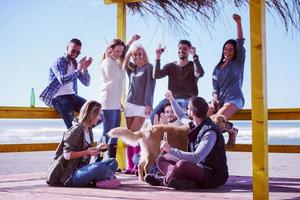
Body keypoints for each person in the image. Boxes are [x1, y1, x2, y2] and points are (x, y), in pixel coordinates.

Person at [145, 90, 228, 190]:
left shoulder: (210, 132)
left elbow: (196, 157)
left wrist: (170, 149)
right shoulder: (194, 124)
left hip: (213, 175)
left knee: (182, 164)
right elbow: (181, 116)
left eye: (188, 109)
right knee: (162, 159)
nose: (186, 110)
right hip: (197, 168)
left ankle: (163, 181)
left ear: (193, 112)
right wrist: (171, 99)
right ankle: (185, 182)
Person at [46, 100, 120, 188]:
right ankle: (106, 179)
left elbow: (85, 151)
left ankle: (103, 179)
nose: (99, 118)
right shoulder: (75, 130)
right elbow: (67, 155)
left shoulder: (89, 130)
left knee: (112, 161)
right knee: (100, 167)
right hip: (71, 175)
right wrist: (87, 152)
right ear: (92, 115)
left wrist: (97, 149)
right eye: (98, 114)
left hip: (83, 169)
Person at [98, 35, 140, 159]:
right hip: (107, 102)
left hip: (115, 103)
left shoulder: (117, 61)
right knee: (107, 134)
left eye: (121, 51)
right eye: (117, 51)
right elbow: (114, 80)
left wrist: (131, 42)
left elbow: (118, 86)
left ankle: (112, 162)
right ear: (110, 49)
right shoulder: (107, 62)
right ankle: (98, 160)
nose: (120, 53)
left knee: (115, 134)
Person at [207, 14, 245, 146]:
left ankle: (215, 148)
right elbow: (214, 88)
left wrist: (238, 23)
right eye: (225, 49)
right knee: (204, 118)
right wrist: (214, 99)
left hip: (234, 99)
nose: (227, 51)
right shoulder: (217, 68)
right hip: (220, 100)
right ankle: (232, 130)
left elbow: (240, 41)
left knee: (216, 119)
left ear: (235, 52)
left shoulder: (238, 63)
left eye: (231, 49)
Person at [40, 38, 93, 128]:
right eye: (73, 51)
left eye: (78, 52)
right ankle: (77, 133)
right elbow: (63, 80)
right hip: (58, 98)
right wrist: (78, 70)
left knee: (96, 113)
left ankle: (80, 132)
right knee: (72, 126)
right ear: (67, 48)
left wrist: (85, 69)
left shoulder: (75, 64)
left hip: (72, 96)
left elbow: (86, 82)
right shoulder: (58, 61)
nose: (75, 54)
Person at [149, 40, 205, 124]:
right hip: (172, 98)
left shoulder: (193, 65)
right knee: (153, 115)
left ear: (189, 50)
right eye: (180, 48)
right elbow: (156, 75)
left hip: (188, 99)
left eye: (185, 49)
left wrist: (194, 56)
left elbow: (200, 73)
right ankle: (163, 135)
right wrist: (158, 56)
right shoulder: (171, 66)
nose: (181, 50)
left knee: (185, 119)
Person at [122, 43, 156, 174]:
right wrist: (130, 44)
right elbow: (123, 58)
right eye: (134, 54)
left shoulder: (149, 67)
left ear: (144, 54)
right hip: (129, 104)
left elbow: (150, 87)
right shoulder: (132, 68)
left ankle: (137, 165)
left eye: (139, 54)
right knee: (129, 135)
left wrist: (149, 104)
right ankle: (130, 166)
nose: (137, 57)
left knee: (135, 135)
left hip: (142, 106)